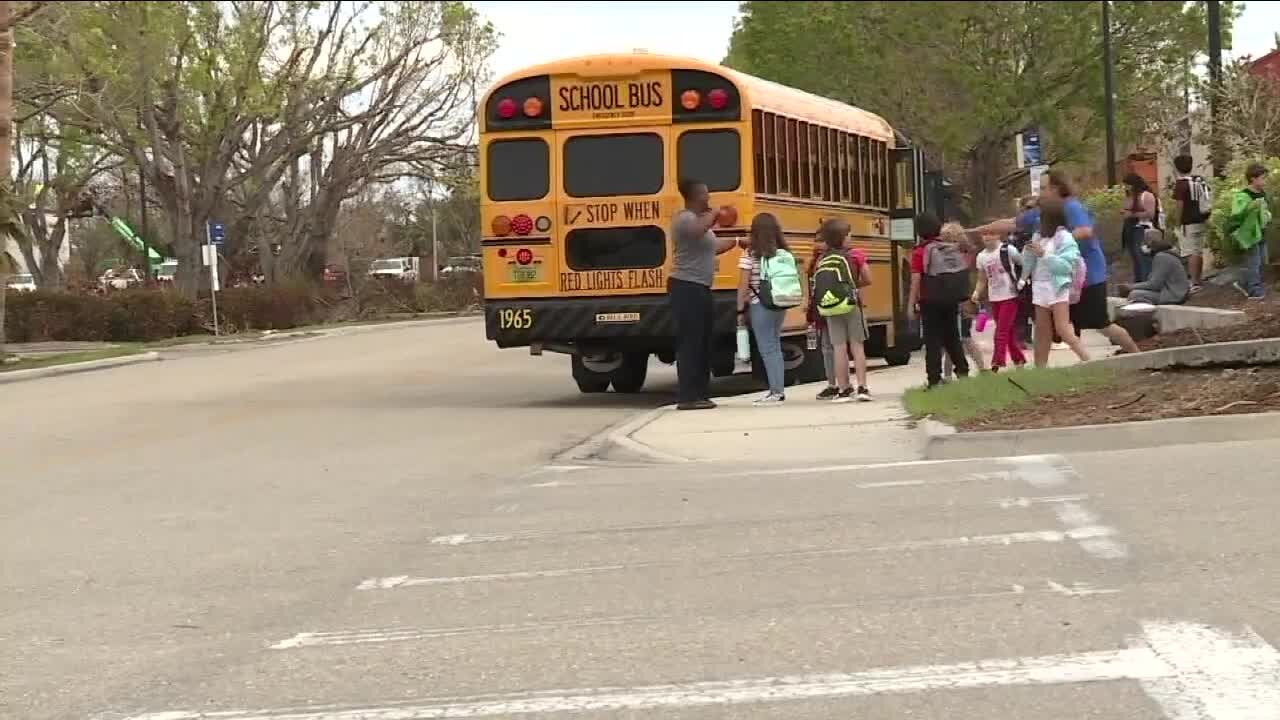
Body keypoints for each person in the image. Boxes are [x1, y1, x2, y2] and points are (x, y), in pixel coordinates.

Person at [967, 173, 1139, 356]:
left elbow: (1085, 230)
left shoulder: (1071, 207)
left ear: (1055, 188)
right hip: (1055, 280)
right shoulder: (1040, 213)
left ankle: (1136, 354)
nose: (1039, 192)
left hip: (1086, 277)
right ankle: (1041, 368)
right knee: (1043, 326)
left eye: (1043, 188)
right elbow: (1011, 223)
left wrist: (1056, 243)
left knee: (1099, 323)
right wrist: (976, 230)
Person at [669, 178, 737, 410]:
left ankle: (701, 393)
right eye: (705, 194)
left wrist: (738, 241)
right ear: (695, 196)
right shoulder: (685, 218)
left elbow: (712, 247)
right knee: (691, 342)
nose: (709, 198)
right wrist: (716, 214)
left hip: (701, 287)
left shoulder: (700, 222)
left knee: (704, 341)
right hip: (686, 286)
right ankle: (688, 396)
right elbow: (699, 232)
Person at [1021, 195, 1090, 365]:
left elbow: (1065, 267)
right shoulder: (1039, 236)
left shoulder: (1064, 238)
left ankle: (1088, 360)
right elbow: (1028, 262)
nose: (1036, 218)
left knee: (1062, 328)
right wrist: (1027, 253)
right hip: (1039, 287)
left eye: (1040, 214)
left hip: (1057, 287)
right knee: (1042, 331)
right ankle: (1040, 370)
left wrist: (1043, 254)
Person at [810, 218, 873, 402]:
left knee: (838, 348)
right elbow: (868, 279)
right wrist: (850, 286)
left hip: (830, 307)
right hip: (851, 305)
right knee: (857, 346)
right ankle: (862, 387)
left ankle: (844, 388)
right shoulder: (855, 255)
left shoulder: (822, 258)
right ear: (844, 238)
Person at [736, 213, 793, 405]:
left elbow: (743, 285)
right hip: (779, 302)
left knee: (768, 348)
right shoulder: (783, 252)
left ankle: (776, 392)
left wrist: (739, 309)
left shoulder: (750, 254)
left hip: (759, 304)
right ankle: (778, 390)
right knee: (774, 345)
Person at [909, 212, 969, 388]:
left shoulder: (920, 251)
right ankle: (963, 371)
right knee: (952, 336)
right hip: (951, 298)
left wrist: (911, 304)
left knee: (932, 340)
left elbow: (916, 280)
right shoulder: (949, 247)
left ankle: (934, 379)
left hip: (930, 299)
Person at [971, 233, 1028, 371]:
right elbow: (982, 278)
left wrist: (1022, 281)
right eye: (984, 235)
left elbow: (1024, 264)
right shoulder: (981, 256)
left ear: (997, 235)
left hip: (1010, 295)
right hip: (994, 297)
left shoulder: (1008, 250)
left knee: (1001, 331)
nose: (987, 237)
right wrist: (977, 292)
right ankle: (1018, 359)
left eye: (990, 234)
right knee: (1007, 331)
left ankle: (997, 361)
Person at [941, 223, 987, 378]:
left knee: (963, 338)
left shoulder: (963, 257)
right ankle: (951, 373)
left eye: (952, 241)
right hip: (958, 300)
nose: (949, 245)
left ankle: (980, 368)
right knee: (955, 338)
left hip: (963, 301)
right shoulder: (968, 255)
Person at [1230, 162, 1273, 300]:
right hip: (1250, 234)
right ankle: (1254, 290)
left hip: (1261, 231)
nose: (1264, 181)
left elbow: (1265, 210)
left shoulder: (1262, 193)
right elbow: (1238, 213)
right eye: (1262, 178)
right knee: (1254, 262)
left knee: (1261, 261)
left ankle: (1244, 283)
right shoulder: (1243, 195)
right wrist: (1251, 207)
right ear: (1253, 179)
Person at [1119, 228, 1190, 306]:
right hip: (1174, 292)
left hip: (1174, 295)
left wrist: (1130, 287)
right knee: (1136, 293)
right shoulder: (1165, 254)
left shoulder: (1161, 257)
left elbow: (1154, 284)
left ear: (1150, 242)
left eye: (1145, 241)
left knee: (1135, 294)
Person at [1172, 154, 1211, 292]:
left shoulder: (1181, 184)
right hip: (1201, 219)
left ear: (1177, 167)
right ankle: (1199, 279)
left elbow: (1179, 205)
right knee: (1198, 251)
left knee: (1191, 252)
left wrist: (1177, 223)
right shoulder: (1199, 180)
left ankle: (1194, 282)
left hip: (1188, 222)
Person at [1121, 173, 1160, 283]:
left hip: (1142, 229)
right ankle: (1139, 282)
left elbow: (1150, 214)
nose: (1126, 188)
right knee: (1136, 259)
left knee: (1143, 257)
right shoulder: (1130, 196)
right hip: (1130, 229)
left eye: (1127, 185)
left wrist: (1132, 214)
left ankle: (1147, 282)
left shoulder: (1146, 195)